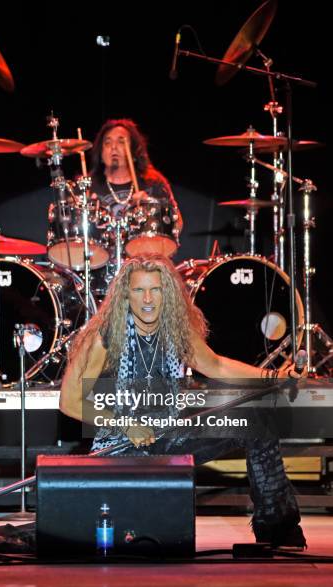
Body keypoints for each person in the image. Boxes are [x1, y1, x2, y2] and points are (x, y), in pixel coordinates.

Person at [60, 254, 307, 549]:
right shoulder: (104, 338)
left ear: (169, 294)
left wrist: (273, 377)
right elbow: (69, 401)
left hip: (170, 433)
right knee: (95, 533)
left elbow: (216, 366)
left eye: (157, 290)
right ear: (125, 294)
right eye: (139, 290)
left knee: (256, 419)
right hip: (123, 446)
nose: (148, 299)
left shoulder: (176, 331)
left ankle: (277, 527)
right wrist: (125, 425)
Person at [89, 118, 183, 253]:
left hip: (142, 261)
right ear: (101, 153)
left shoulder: (152, 182)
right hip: (99, 263)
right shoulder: (88, 186)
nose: (113, 147)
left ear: (134, 151)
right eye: (107, 142)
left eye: (121, 141)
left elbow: (177, 224)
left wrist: (150, 204)